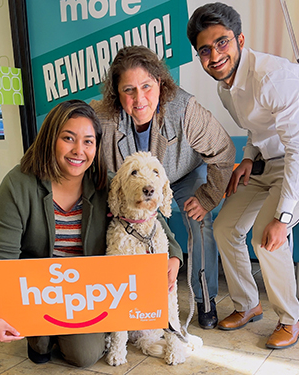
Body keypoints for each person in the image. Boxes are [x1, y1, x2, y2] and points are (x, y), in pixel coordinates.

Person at [0, 100, 183, 367]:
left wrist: (174, 256)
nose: (79, 150)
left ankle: (57, 334)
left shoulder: (105, 182)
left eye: (88, 141)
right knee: (38, 344)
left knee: (84, 355)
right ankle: (41, 333)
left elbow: (148, 216)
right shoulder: (17, 184)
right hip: (39, 286)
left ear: (96, 147)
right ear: (50, 139)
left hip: (86, 290)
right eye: (68, 138)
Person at [187, 3, 299, 348]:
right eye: (205, 50)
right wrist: (248, 159)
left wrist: (283, 218)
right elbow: (259, 129)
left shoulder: (272, 75)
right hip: (269, 159)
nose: (215, 55)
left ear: (240, 39)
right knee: (225, 227)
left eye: (222, 43)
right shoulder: (225, 87)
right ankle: (248, 305)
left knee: (266, 236)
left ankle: (291, 319)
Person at [89, 45, 235, 329]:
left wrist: (208, 197)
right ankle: (126, 299)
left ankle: (205, 297)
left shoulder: (185, 109)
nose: (139, 98)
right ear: (116, 94)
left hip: (183, 174)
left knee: (199, 220)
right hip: (136, 183)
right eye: (128, 90)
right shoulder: (104, 119)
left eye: (146, 86)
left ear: (160, 82)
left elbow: (224, 151)